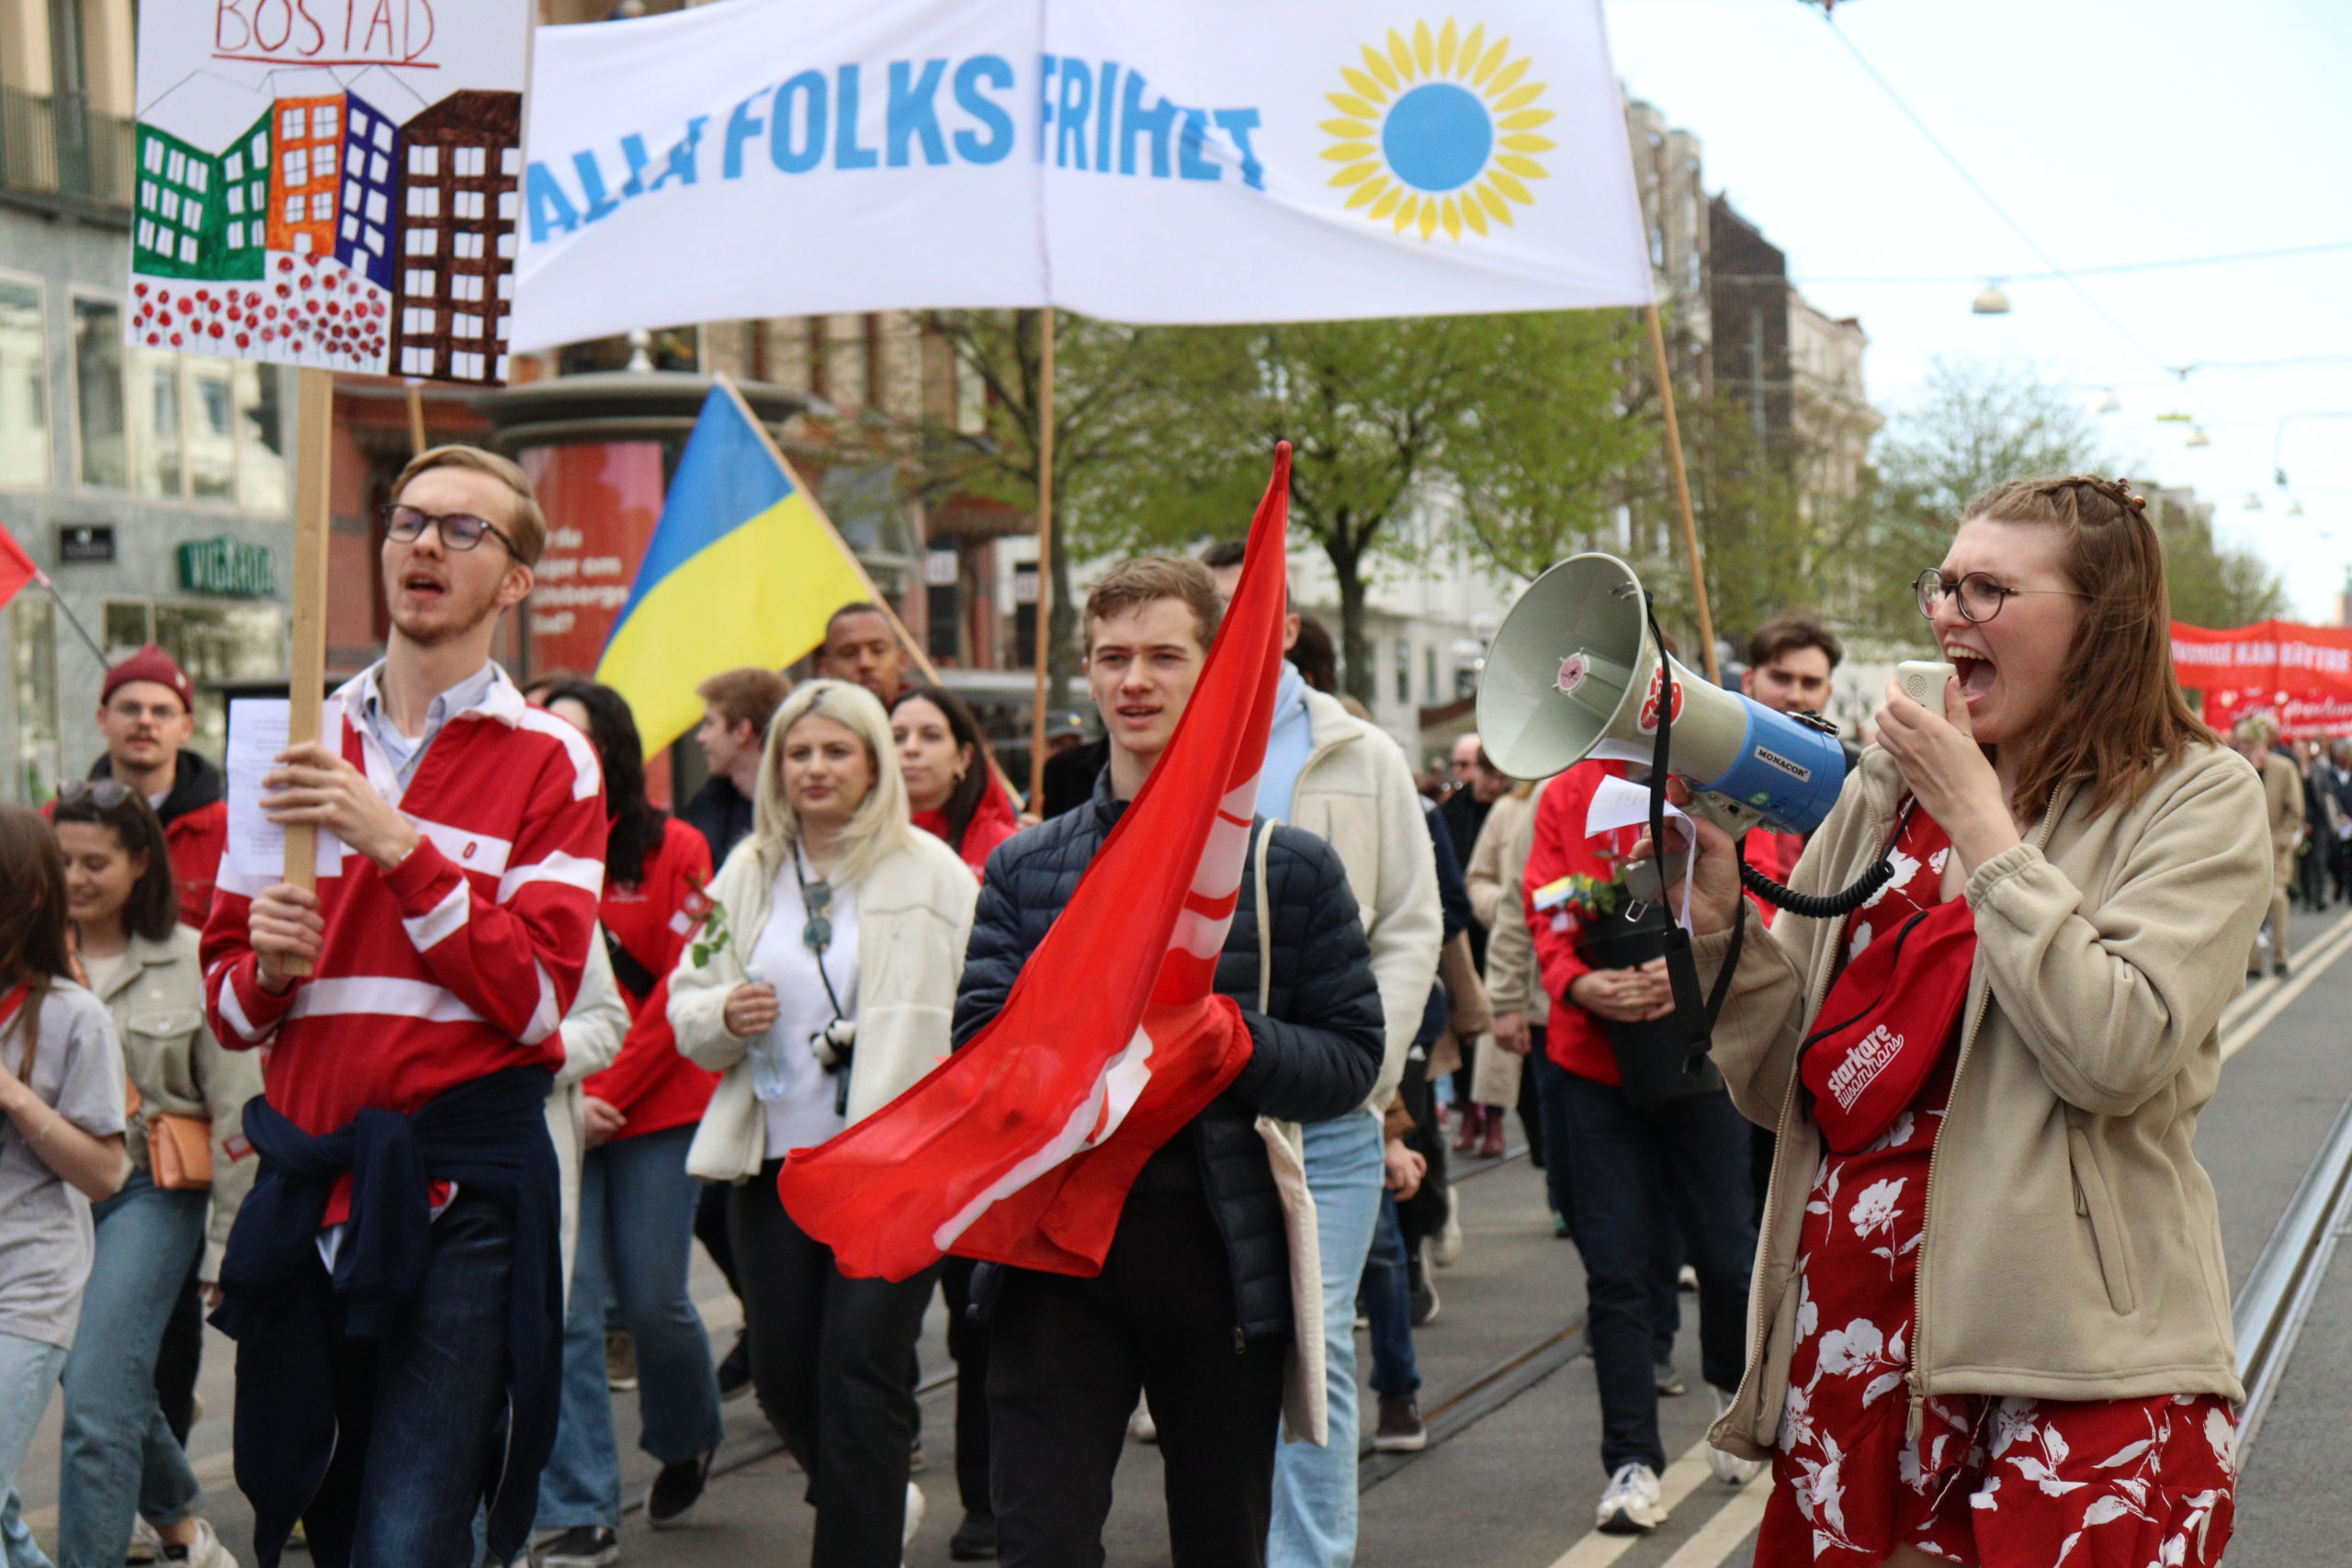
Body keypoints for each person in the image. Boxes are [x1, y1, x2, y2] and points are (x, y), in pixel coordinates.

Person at [1669, 477, 2266, 1568]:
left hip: (2067, 1367)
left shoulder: (2196, 795)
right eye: (1943, 585)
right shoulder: (1885, 792)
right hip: (1858, 1351)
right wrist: (1719, 931)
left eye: (1989, 590)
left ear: (2102, 625)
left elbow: (2116, 1051)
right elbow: (1796, 1091)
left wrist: (1984, 830)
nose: (1948, 614)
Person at [200, 445, 606, 1568]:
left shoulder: (555, 762)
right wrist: (269, 971)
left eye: (463, 529)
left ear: (516, 579)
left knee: (409, 1533)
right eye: (407, 520)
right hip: (312, 1177)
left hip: (464, 1190)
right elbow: (230, 1011)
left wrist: (395, 844)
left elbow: (536, 1001)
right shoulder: (290, 742)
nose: (425, 544)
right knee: (325, 1515)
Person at [958, 557, 1385, 1568]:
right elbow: (976, 1049)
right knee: (1040, 1544)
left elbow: (1350, 1059)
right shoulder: (1026, 867)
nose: (1134, 680)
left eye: (1163, 655)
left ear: (1214, 671)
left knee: (1221, 1540)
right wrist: (1067, 1041)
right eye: (1113, 657)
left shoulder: (1288, 868)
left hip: (1216, 1253)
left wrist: (1230, 1043)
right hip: (1053, 1255)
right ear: (1088, 674)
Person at [670, 679, 978, 1568]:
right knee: (782, 1376)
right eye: (797, 752)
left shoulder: (933, 872)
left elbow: (984, 1006)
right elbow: (688, 1000)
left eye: (836, 750)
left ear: (874, 763)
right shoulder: (746, 870)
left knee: (860, 1365)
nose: (814, 768)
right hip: (772, 1166)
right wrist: (724, 1012)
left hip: (895, 1169)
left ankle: (857, 1537)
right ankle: (875, 1494)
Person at [1200, 543, 1441, 1568]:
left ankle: (1308, 1557)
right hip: (1199, 1101)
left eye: (1243, 609)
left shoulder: (1364, 754)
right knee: (1216, 1339)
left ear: (1288, 628)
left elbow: (1411, 922)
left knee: (1313, 1334)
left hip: (1329, 1105)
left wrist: (1364, 1068)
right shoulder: (1170, 747)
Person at [1522, 752, 1759, 1532]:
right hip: (1592, 1065)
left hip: (1700, 1053)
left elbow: (1761, 888)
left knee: (1727, 1256)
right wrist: (1573, 981)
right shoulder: (1566, 793)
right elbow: (1548, 900)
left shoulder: (1712, 774)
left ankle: (1729, 1383)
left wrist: (1691, 963)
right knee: (1616, 1270)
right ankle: (1630, 1461)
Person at [531, 682, 723, 1568]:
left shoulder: (678, 846)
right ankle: (582, 1506)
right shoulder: (525, 847)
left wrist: (610, 1090)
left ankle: (686, 1433)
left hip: (656, 1102)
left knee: (653, 1299)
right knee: (567, 1309)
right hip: (564, 1101)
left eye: (570, 733)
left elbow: (685, 982)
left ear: (611, 747)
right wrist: (581, 1094)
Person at [51, 786, 260, 1568]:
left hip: (154, 1191)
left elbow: (238, 1114)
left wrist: (227, 1248)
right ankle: (181, 1527)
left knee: (95, 1400)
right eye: (62, 860)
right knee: (102, 1379)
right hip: (52, 1195)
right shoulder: (31, 956)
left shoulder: (194, 956)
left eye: (94, 862)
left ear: (141, 862)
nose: (75, 877)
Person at [0, 807, 129, 1568]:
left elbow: (107, 1173)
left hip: (27, 1284)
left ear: (29, 896)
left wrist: (16, 1097)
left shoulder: (75, 1016)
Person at [66, 647, 229, 933]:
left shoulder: (229, 832)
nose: (145, 721)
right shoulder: (59, 826)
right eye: (130, 709)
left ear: (187, 727)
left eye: (161, 711)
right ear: (102, 719)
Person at [1737, 612, 1844, 890]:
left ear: (1828, 692)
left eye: (1810, 683)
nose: (1795, 696)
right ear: (1748, 681)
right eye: (1781, 678)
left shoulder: (1853, 778)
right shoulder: (1708, 766)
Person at [892, 684, 1021, 878]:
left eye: (931, 736)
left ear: (963, 757)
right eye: (897, 737)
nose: (911, 748)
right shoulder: (856, 840)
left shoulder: (1005, 850)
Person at [683, 668, 793, 872]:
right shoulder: (708, 805)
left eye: (710, 724)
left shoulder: (801, 808)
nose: (701, 737)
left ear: (742, 731)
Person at [2235, 714, 2301, 978]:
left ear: (2262, 742)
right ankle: (2251, 963)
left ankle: (2280, 956)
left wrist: (2280, 841)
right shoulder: (2236, 768)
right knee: (2247, 904)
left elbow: (2295, 812)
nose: (2245, 747)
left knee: (2277, 900)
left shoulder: (2284, 768)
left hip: (2275, 851)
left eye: (2249, 742)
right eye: (2241, 743)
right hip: (2246, 850)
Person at [815, 604, 911, 706]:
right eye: (849, 654)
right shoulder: (811, 715)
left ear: (902, 660)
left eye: (878, 651)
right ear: (826, 669)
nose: (865, 663)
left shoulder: (921, 711)